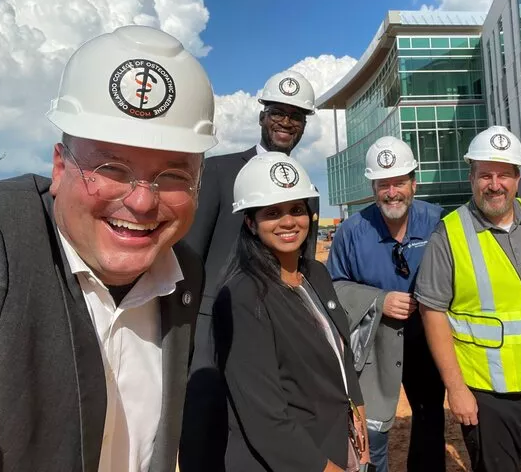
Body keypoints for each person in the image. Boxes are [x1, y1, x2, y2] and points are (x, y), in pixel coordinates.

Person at [0, 25, 215, 471]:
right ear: (60, 166)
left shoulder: (184, 273)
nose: (142, 201)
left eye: (174, 175)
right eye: (111, 166)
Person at [415, 125, 521, 472]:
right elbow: (432, 313)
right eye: (485, 175)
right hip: (488, 394)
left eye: (504, 175)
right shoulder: (448, 234)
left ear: (518, 178)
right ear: (471, 177)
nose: (495, 184)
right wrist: (456, 389)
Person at [180, 69, 319, 468]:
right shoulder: (220, 173)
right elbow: (190, 254)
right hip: (213, 326)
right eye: (278, 112)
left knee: (269, 421)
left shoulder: (306, 190)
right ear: (262, 116)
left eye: (296, 116)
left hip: (279, 324)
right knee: (205, 429)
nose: (286, 122)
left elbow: (303, 267)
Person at [211, 152, 369, 471]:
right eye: (273, 212)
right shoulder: (243, 296)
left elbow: (341, 353)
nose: (288, 221)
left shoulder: (316, 275)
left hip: (336, 444)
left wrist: (359, 422)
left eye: (296, 209)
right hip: (292, 461)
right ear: (250, 223)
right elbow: (265, 418)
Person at [327, 136, 446, 472]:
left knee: (429, 420)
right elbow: (333, 288)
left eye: (399, 183)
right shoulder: (352, 231)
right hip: (374, 348)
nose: (392, 192)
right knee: (373, 431)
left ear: (413, 182)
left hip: (426, 342)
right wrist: (379, 301)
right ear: (373, 186)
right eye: (384, 185)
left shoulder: (438, 222)